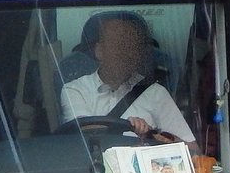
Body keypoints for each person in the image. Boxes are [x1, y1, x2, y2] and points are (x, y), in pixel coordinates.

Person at [59, 14, 196, 143]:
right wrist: (127, 126)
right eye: (118, 45)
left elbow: (192, 150)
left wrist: (151, 135)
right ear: (99, 51)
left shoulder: (156, 93)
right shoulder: (75, 90)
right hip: (90, 166)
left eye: (132, 46)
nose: (126, 53)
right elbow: (81, 134)